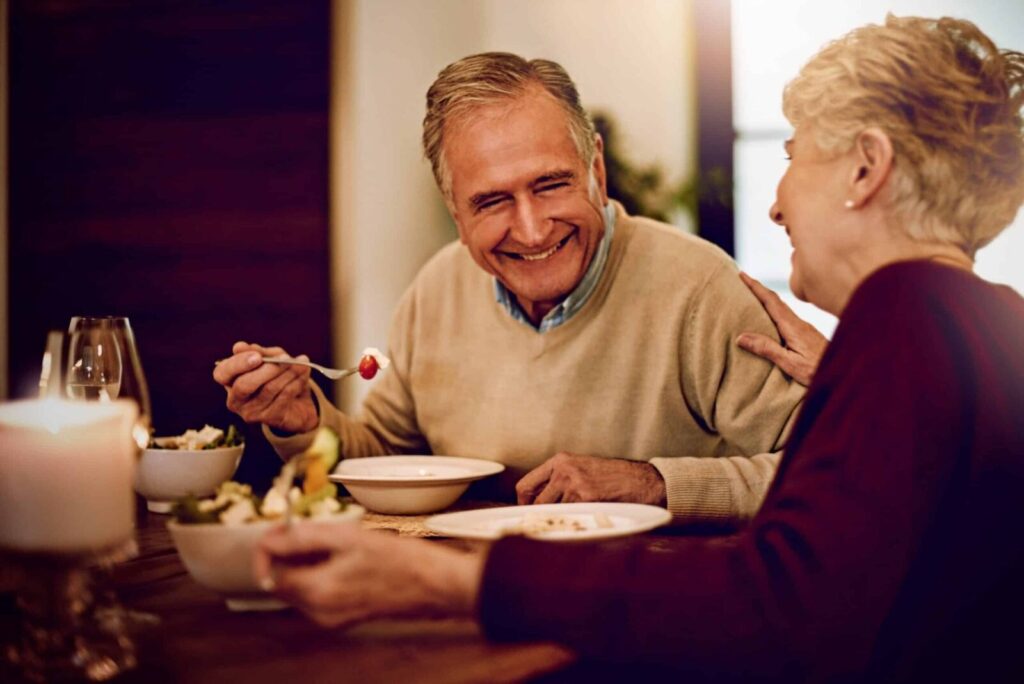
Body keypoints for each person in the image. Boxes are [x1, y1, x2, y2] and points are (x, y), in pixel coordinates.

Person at [253, 15, 1024, 680]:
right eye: (491, 201)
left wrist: (455, 582)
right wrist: (847, 387)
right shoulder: (984, 325)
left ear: (866, 167)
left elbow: (775, 604)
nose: (777, 201)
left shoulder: (902, 318)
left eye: (793, 153)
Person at [214, 52, 805, 524]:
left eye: (550, 185)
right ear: (454, 207)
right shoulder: (437, 287)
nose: (531, 229)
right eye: (493, 200)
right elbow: (390, 463)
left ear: (596, 169)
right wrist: (303, 420)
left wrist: (651, 483)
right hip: (470, 605)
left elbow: (830, 471)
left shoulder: (702, 289)